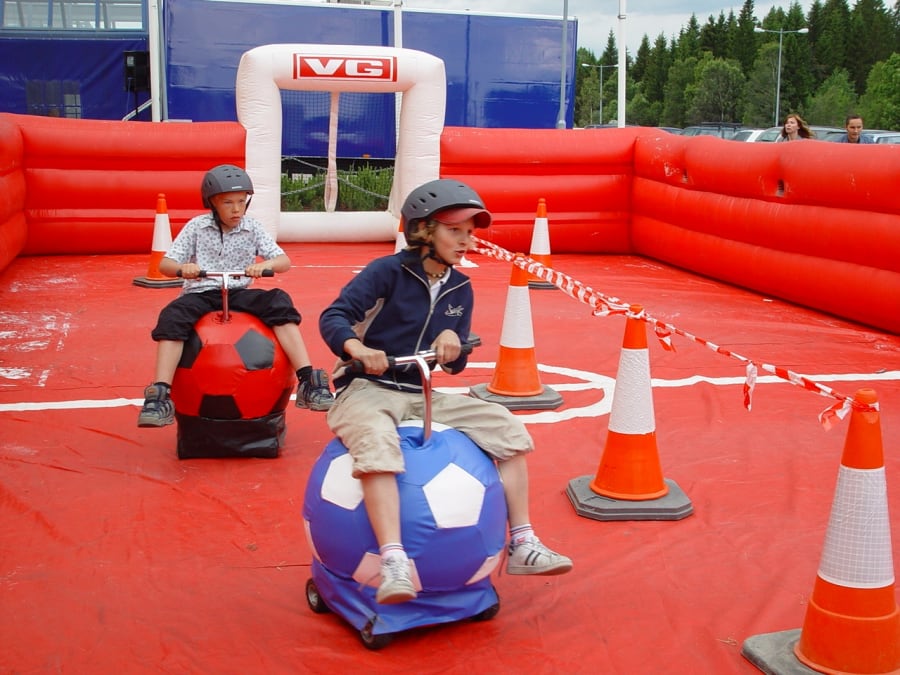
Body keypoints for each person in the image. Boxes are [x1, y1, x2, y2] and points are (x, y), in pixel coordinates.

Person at [319, 178, 573, 605]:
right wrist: (357, 349)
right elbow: (335, 315)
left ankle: (523, 542)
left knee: (506, 428)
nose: (466, 240)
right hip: (366, 386)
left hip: (419, 391)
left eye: (470, 232)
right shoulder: (387, 273)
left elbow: (455, 365)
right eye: (455, 230)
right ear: (423, 230)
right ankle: (393, 560)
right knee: (377, 442)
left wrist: (453, 343)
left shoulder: (460, 287)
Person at [138, 164, 334, 427]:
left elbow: (283, 261)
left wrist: (265, 265)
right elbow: (165, 264)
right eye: (228, 203)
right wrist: (184, 269)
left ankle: (308, 380)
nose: (236, 209)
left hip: (239, 291)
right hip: (202, 291)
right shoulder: (197, 227)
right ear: (212, 203)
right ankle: (160, 395)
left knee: (279, 303)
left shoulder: (252, 227)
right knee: (173, 316)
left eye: (241, 202)